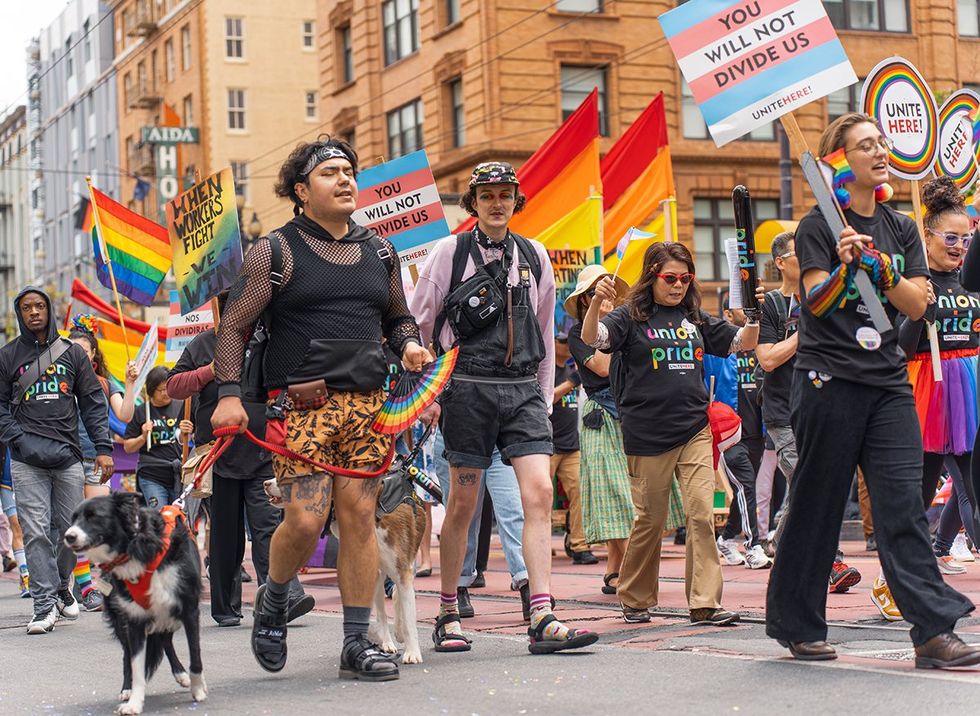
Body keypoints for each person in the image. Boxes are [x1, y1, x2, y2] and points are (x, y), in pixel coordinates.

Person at [765, 112, 979, 667]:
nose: (880, 150)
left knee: (903, 507)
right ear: (842, 162)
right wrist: (842, 268)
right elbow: (814, 302)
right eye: (866, 145)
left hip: (887, 383)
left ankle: (932, 630)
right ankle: (798, 624)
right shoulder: (817, 227)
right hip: (828, 381)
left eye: (881, 141)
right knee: (816, 505)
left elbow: (918, 303)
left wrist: (882, 269)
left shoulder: (902, 226)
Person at [211, 137, 430, 682]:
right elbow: (235, 326)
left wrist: (408, 344)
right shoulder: (276, 250)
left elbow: (398, 319)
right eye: (330, 173)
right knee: (306, 521)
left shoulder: (381, 251)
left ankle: (356, 643)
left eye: (349, 171)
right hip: (302, 409)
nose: (345, 180)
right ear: (302, 191)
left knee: (358, 519)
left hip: (368, 410)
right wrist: (229, 395)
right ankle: (274, 596)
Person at [411, 161, 598, 654]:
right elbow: (416, 324)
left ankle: (542, 612)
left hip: (521, 394)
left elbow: (538, 330)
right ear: (473, 202)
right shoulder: (448, 253)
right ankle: (448, 611)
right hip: (467, 390)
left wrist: (538, 398)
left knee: (538, 493)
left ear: (518, 200)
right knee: (464, 505)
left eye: (506, 194)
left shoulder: (535, 255)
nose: (498, 202)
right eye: (487, 194)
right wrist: (425, 394)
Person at [582, 241, 760, 625]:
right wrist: (597, 303)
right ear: (652, 277)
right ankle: (635, 597)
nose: (678, 285)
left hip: (694, 428)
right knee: (651, 520)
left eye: (685, 278)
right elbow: (592, 339)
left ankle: (704, 602)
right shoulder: (630, 316)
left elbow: (742, 343)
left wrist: (753, 317)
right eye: (670, 278)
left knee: (700, 515)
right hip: (647, 434)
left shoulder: (694, 316)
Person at [168, 293, 314, 627]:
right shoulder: (204, 343)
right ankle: (226, 606)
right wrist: (208, 371)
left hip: (262, 450)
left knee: (269, 527)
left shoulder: (269, 341)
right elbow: (174, 386)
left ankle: (281, 596)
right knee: (224, 534)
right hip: (217, 456)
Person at [0, 287, 113, 634]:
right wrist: (17, 439)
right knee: (34, 531)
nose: (34, 312)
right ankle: (43, 605)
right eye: (26, 307)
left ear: (49, 310)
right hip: (25, 459)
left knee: (68, 532)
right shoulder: (7, 356)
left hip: (67, 457)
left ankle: (63, 584)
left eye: (39, 306)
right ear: (19, 313)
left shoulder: (72, 355)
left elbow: (93, 401)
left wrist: (104, 447)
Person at [755, 232, 862, 592]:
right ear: (780, 263)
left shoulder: (826, 297)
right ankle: (830, 560)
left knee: (812, 485)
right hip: (783, 412)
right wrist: (806, 332)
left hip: (825, 407)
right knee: (806, 478)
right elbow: (767, 358)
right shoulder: (770, 305)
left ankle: (781, 550)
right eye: (801, 253)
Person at [897, 176, 980, 573]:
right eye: (951, 238)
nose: (960, 247)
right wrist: (920, 308)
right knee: (921, 489)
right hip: (928, 390)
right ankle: (906, 572)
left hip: (971, 388)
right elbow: (899, 346)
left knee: (972, 487)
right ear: (926, 236)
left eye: (966, 239)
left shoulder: (971, 279)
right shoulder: (914, 282)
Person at [565, 265, 635, 596]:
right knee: (612, 494)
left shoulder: (626, 326)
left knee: (634, 495)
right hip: (601, 416)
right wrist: (603, 322)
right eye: (594, 293)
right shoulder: (580, 333)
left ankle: (615, 568)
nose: (603, 297)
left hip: (630, 413)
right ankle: (621, 566)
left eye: (605, 291)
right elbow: (604, 367)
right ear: (584, 301)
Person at [68, 314, 138, 611]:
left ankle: (104, 582)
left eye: (84, 351)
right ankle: (83, 587)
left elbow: (124, 415)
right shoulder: (57, 380)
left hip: (97, 459)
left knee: (100, 524)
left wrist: (132, 382)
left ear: (94, 354)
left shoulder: (105, 383)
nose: (79, 357)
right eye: (72, 352)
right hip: (66, 460)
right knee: (70, 526)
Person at [706, 302, 771, 570]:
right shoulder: (720, 347)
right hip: (729, 430)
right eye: (741, 308)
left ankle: (725, 537)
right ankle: (754, 544)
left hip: (758, 427)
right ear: (728, 314)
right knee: (745, 483)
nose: (748, 313)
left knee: (746, 488)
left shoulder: (761, 346)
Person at [550, 334, 595, 565]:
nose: (567, 346)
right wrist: (570, 383)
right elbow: (549, 399)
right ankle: (537, 545)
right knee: (540, 499)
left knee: (579, 494)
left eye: (569, 342)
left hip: (571, 444)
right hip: (547, 446)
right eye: (562, 341)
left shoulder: (572, 371)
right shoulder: (548, 372)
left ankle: (579, 544)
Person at [123, 366, 192, 509]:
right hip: (151, 474)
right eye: (161, 390)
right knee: (159, 516)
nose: (166, 393)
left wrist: (188, 432)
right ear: (151, 390)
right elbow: (128, 447)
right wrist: (142, 437)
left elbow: (192, 437)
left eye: (168, 388)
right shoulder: (142, 411)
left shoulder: (182, 407)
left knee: (178, 519)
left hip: (179, 474)